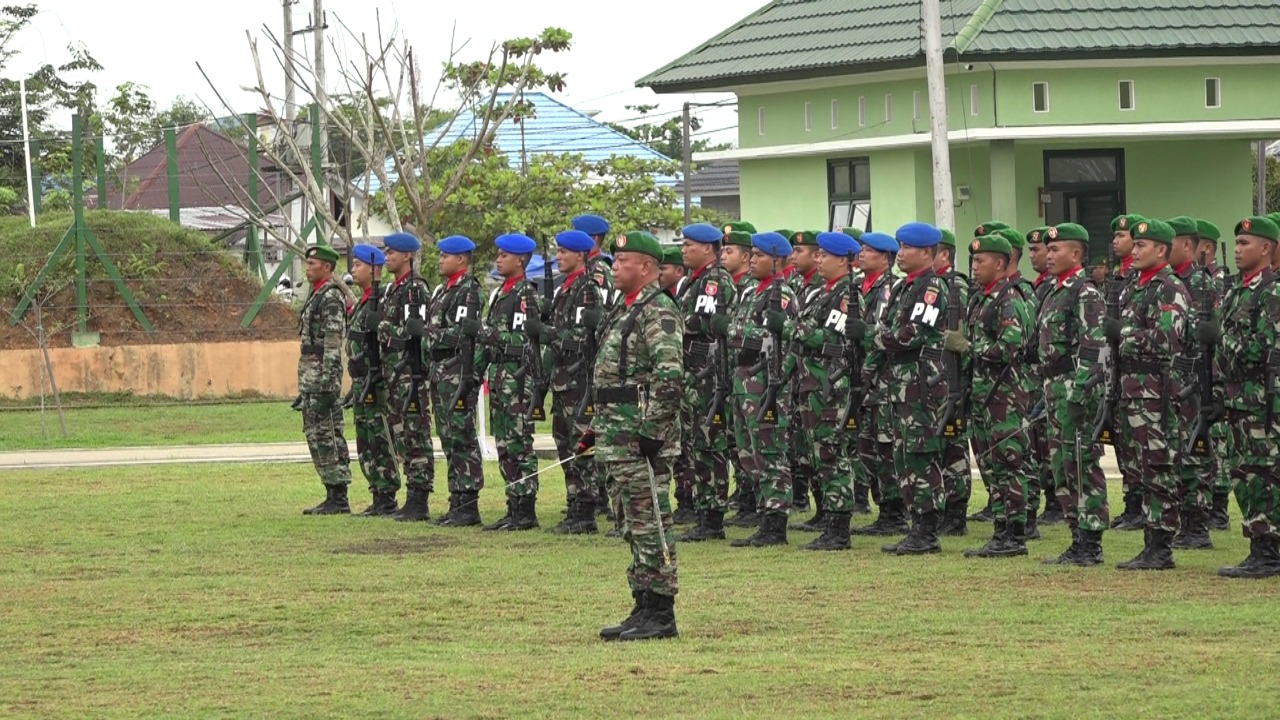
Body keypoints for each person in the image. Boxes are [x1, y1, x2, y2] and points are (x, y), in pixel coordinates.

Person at [582, 230, 684, 641]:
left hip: (641, 439)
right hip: (617, 435)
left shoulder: (658, 310)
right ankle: (642, 605)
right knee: (629, 521)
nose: (615, 266)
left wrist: (653, 432)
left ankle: (661, 612)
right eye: (615, 259)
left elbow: (670, 376)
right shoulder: (624, 308)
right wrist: (596, 429)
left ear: (646, 267)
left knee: (651, 522)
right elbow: (616, 377)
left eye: (623, 261)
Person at [853, 222, 950, 555]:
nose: (901, 253)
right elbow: (892, 331)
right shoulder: (905, 288)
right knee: (903, 455)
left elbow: (911, 335)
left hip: (921, 385)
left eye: (907, 248)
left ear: (926, 252)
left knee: (920, 455)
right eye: (900, 246)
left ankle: (927, 530)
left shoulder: (931, 288)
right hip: (900, 385)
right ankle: (916, 526)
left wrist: (869, 337)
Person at [1106, 219, 1190, 570]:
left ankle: (1161, 546)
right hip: (1131, 391)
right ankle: (1150, 541)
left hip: (1158, 393)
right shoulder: (1133, 287)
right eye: (1134, 244)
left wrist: (1122, 332)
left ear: (1161, 250)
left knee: (1159, 467)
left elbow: (1166, 339)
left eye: (1142, 246)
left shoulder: (1168, 287)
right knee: (1141, 467)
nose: (1134, 250)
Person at [948, 234, 1034, 557]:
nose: (974, 266)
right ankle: (1000, 529)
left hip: (1005, 396)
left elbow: (1012, 346)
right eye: (972, 260)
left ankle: (1015, 534)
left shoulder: (1007, 299)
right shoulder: (980, 299)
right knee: (991, 465)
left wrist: (969, 347)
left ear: (999, 263)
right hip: (983, 396)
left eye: (980, 260)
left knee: (1009, 462)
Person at [719, 231, 799, 547]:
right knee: (748, 452)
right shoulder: (752, 292)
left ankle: (775, 524)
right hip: (744, 383)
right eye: (750, 255)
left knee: (770, 453)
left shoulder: (782, 296)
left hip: (766, 383)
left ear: (777, 260)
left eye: (759, 256)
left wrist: (735, 331)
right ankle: (763, 514)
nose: (752, 261)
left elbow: (778, 339)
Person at [1038, 223, 1110, 566]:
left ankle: (1091, 541)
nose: (1049, 255)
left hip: (1075, 389)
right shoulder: (1056, 291)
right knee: (1061, 464)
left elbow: (1095, 347)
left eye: (1056, 250)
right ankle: (1076, 536)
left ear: (1076, 254)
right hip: (1055, 387)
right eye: (1048, 250)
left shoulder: (1085, 292)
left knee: (1081, 462)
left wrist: (1080, 390)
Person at [1214, 215, 1280, 578]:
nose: (1238, 250)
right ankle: (1259, 544)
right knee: (1241, 473)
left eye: (1245, 244)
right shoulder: (1238, 290)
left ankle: (1268, 551)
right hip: (1238, 394)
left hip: (1261, 395)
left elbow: (1266, 345)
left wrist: (1222, 340)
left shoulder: (1272, 291)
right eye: (1236, 244)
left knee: (1264, 473)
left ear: (1266, 248)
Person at [793, 231, 862, 550]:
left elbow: (831, 339)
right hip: (813, 383)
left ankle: (839, 526)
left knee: (833, 453)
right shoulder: (821, 292)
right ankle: (830, 518)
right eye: (816, 255)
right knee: (818, 452)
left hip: (831, 385)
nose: (817, 260)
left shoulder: (846, 296)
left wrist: (791, 329)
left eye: (824, 255)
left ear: (843, 261)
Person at [675, 223, 738, 543]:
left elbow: (700, 323)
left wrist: (676, 320)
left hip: (707, 374)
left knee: (708, 444)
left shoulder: (714, 280)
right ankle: (703, 512)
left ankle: (712, 517)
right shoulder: (694, 281)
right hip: (693, 373)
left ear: (706, 248)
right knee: (695, 445)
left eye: (689, 245)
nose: (684, 250)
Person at [481, 233, 544, 531]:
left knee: (520, 443)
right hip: (500, 378)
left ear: (520, 260)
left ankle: (526, 508)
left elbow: (522, 341)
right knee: (504, 443)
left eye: (504, 255)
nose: (498, 259)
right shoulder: (502, 293)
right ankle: (513, 504)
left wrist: (488, 334)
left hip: (518, 379)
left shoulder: (524, 296)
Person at [545, 229, 605, 535]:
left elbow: (582, 337)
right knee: (564, 443)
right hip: (562, 379)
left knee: (582, 445)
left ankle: (585, 510)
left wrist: (551, 335)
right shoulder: (564, 289)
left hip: (579, 379)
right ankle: (573, 502)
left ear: (580, 255)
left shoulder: (586, 290)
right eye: (557, 251)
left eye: (564, 252)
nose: (559, 256)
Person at [850, 231, 910, 538]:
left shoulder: (891, 289)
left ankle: (894, 511)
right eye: (860, 249)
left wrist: (867, 374)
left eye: (868, 250)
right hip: (863, 377)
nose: (861, 254)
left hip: (883, 380)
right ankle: (883, 505)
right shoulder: (859, 286)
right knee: (867, 447)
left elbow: (882, 334)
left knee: (886, 446)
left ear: (885, 258)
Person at [423, 235, 486, 527]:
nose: (440, 259)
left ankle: (469, 502)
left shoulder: (468, 292)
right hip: (440, 371)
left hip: (457, 369)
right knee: (448, 437)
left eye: (445, 256)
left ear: (461, 259)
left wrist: (429, 332)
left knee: (462, 436)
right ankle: (456, 499)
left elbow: (462, 332)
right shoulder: (442, 291)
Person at [1167, 217, 1218, 550]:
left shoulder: (1198, 282)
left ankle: (1197, 526)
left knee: (1195, 452)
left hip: (1195, 378)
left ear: (1187, 245)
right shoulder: (1174, 281)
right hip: (1177, 378)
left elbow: (1203, 333)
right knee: (1179, 451)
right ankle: (1186, 521)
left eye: (1169, 242)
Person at [378, 231, 435, 521]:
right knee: (401, 435)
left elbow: (419, 332)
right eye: (386, 252)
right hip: (393, 374)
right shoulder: (393, 290)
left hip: (410, 374)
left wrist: (387, 329)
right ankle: (411, 495)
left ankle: (419, 497)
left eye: (392, 253)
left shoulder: (415, 290)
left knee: (415, 434)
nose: (387, 257)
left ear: (407, 256)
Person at [345, 243, 402, 516]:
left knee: (380, 436)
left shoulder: (379, 302)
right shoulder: (363, 302)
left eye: (358, 265)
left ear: (374, 269)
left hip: (375, 380)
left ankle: (387, 493)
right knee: (366, 438)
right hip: (361, 380)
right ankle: (377, 491)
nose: (353, 270)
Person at [298, 245, 353, 515]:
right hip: (312, 377)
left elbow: (332, 344)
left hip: (323, 377)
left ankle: (339, 495)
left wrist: (330, 382)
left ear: (328, 268)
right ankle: (330, 491)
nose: (308, 267)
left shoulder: (331, 297)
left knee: (329, 434)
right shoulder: (315, 294)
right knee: (315, 435)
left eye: (313, 263)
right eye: (307, 262)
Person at [933, 228, 973, 536]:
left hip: (952, 374)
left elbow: (959, 332)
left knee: (954, 445)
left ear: (944, 254)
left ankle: (957, 512)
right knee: (941, 445)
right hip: (937, 374)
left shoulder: (954, 285)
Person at [1109, 213, 1147, 531]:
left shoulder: (1142, 282)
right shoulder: (1119, 280)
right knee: (1124, 443)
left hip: (1145, 378)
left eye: (1122, 236)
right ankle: (1132, 504)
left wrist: (1122, 332)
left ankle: (1144, 507)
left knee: (1143, 445)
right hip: (1121, 373)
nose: (1117, 241)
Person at [785, 230, 823, 515]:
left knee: (826, 448)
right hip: (802, 376)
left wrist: (785, 328)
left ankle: (831, 513)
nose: (793, 256)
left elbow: (817, 335)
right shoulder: (799, 285)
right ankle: (817, 506)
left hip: (823, 378)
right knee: (804, 444)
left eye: (800, 252)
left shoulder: (827, 290)